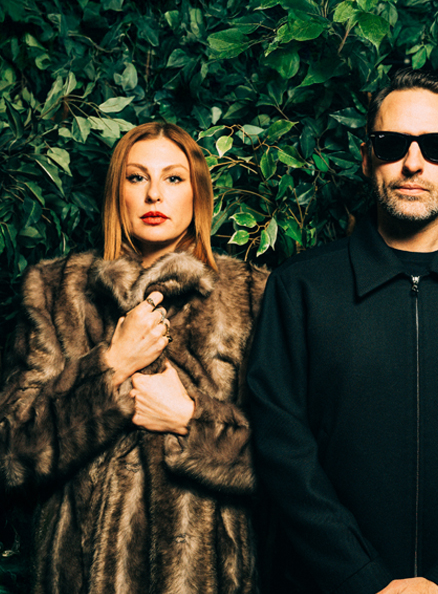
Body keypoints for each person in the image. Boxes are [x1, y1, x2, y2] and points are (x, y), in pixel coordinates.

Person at [246, 68, 438, 594]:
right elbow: (281, 452)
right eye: (393, 144)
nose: (413, 163)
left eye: (437, 146)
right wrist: (364, 580)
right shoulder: (300, 289)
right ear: (368, 157)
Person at [0, 122, 268, 593]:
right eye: (137, 177)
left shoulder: (251, 295)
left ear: (197, 193)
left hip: (204, 576)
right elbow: (10, 454)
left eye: (173, 178)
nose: (154, 196)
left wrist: (191, 419)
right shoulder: (55, 290)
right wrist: (109, 367)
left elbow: (288, 460)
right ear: (116, 192)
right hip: (75, 573)